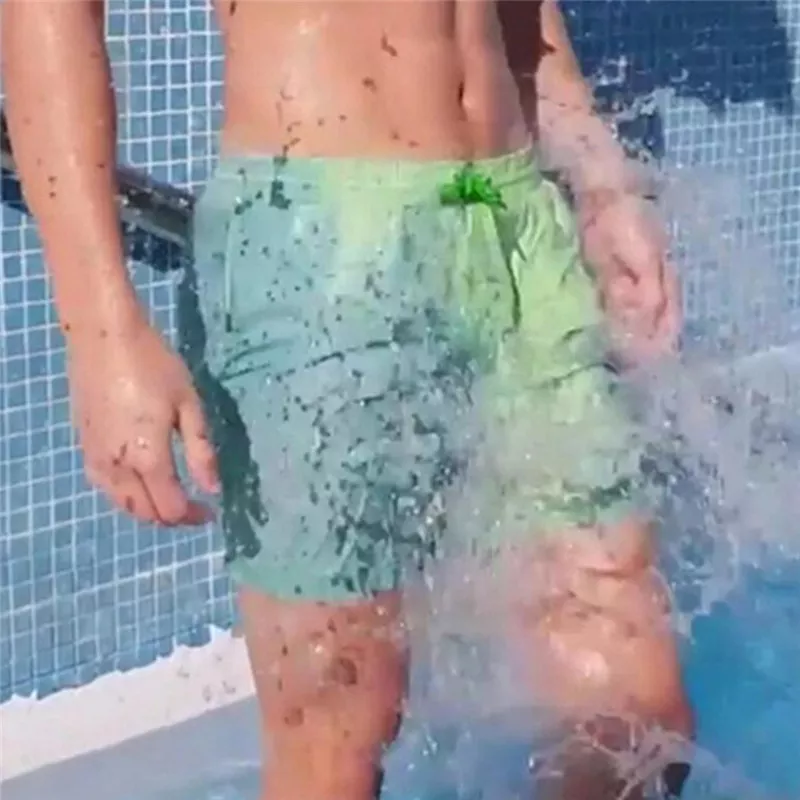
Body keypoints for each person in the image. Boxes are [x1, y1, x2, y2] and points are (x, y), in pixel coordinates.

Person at [2, 0, 694, 797]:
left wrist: (603, 182)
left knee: (632, 718)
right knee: (339, 709)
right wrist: (101, 329)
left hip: (511, 214)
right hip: (318, 241)